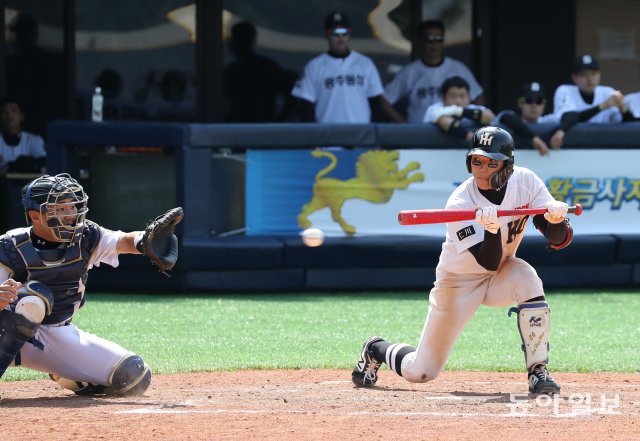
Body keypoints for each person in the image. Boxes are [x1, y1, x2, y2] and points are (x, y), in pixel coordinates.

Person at [352, 126, 573, 395]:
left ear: (508, 166)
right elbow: (485, 262)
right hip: (458, 284)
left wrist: (557, 219)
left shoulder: (526, 181)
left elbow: (559, 240)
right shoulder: (459, 203)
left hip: (502, 272)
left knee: (528, 279)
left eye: (492, 163)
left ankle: (538, 371)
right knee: (420, 372)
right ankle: (376, 348)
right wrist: (492, 229)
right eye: (477, 161)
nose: (482, 169)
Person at [0, 173, 182, 396]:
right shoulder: (11, 245)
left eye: (72, 207)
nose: (70, 214)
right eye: (60, 209)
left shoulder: (86, 236)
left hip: (56, 333)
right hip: (5, 331)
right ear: (35, 216)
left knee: (133, 376)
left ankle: (69, 375)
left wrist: (145, 240)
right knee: (32, 299)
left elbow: (122, 240)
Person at [291, 12, 402, 123]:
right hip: (327, 136)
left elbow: (376, 103)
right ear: (327, 34)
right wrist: (314, 136)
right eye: (335, 33)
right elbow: (305, 105)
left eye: (344, 32)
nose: (340, 37)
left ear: (350, 33)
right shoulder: (314, 66)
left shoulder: (365, 63)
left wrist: (373, 136)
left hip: (360, 135)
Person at [384, 19, 484, 123]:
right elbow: (385, 99)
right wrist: (403, 124)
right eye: (429, 40)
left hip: (453, 132)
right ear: (420, 41)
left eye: (438, 39)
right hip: (420, 132)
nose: (434, 45)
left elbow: (478, 95)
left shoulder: (458, 69)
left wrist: (471, 121)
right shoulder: (410, 71)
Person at [551, 54, 636, 146]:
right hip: (571, 145)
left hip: (602, 147)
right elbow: (569, 117)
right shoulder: (565, 90)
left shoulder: (608, 92)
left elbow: (628, 124)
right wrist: (602, 106)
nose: (590, 79)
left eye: (593, 74)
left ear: (599, 75)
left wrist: (623, 108)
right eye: (584, 75)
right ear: (575, 78)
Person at [224, 21, 292, 122]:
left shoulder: (232, 71)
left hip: (241, 128)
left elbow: (290, 97)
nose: (230, 43)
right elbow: (291, 98)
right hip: (260, 127)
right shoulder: (269, 67)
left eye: (233, 39)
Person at [493, 82, 564, 156]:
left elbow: (572, 116)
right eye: (529, 100)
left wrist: (561, 131)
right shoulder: (511, 118)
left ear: (544, 105)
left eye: (538, 101)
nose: (534, 105)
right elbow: (506, 116)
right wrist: (533, 138)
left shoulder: (549, 121)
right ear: (520, 103)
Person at [423, 76, 494, 142]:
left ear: (469, 97)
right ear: (443, 98)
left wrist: (459, 111)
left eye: (462, 96)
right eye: (453, 97)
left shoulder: (474, 108)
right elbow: (445, 122)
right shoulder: (433, 109)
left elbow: (489, 116)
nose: (458, 101)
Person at [0, 97, 46, 173]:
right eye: (5, 111)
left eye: (14, 111)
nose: (9, 115)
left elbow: (42, 162)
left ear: (21, 116)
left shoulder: (33, 140)